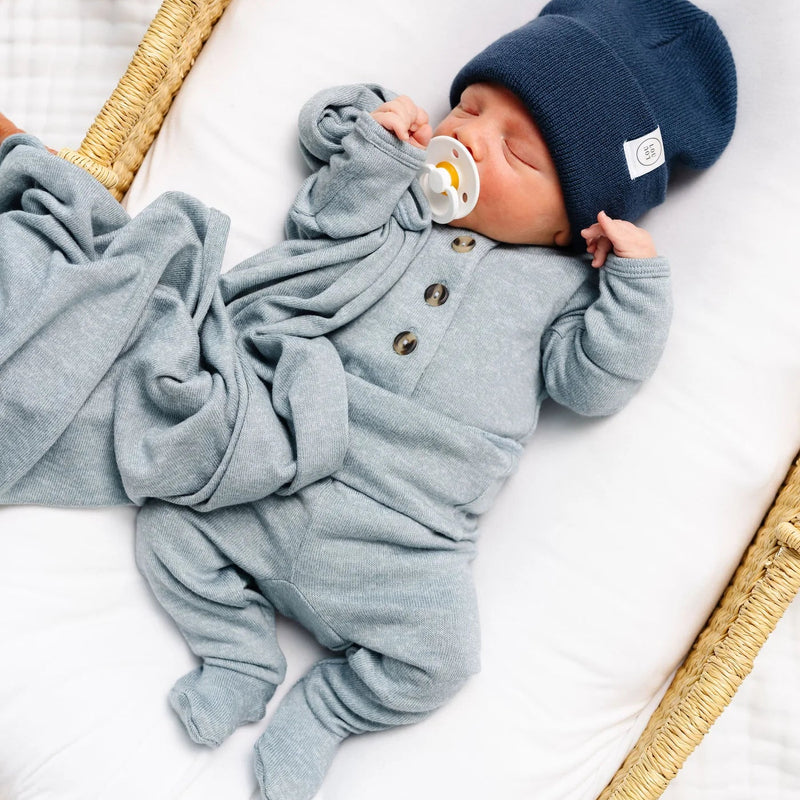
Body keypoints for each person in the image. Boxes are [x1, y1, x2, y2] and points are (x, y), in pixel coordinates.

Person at [0, 0, 736, 798]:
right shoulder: (400, 197)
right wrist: (378, 141)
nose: (470, 141)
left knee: (443, 658)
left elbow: (594, 383)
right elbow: (321, 197)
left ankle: (322, 714)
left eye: (516, 154)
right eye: (471, 108)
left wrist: (636, 280)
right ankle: (238, 653)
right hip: (277, 460)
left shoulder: (560, 291)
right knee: (169, 525)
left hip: (403, 536)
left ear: (572, 224)